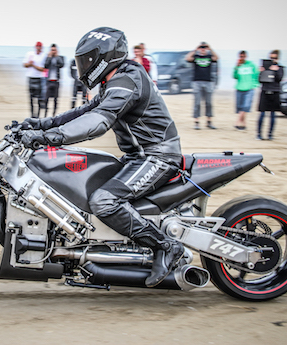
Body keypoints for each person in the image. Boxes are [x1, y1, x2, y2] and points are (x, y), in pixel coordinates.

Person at [19, 27, 184, 288]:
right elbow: (84, 111)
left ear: (103, 58)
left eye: (86, 60)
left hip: (158, 158)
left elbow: (96, 123)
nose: (83, 67)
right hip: (136, 158)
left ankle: (165, 246)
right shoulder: (116, 81)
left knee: (104, 201)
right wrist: (39, 125)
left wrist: (49, 137)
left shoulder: (127, 80)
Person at [185, 42, 219, 130]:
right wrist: (195, 50)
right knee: (197, 102)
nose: (203, 49)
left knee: (208, 102)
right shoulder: (196, 57)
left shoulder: (209, 57)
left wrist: (210, 49)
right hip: (197, 82)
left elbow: (217, 58)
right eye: (201, 47)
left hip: (208, 82)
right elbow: (187, 58)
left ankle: (209, 121)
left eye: (204, 47)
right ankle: (196, 122)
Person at [256, 50, 284, 140]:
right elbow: (260, 80)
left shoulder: (280, 68)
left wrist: (275, 71)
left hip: (275, 92)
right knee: (262, 114)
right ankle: (259, 134)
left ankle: (270, 134)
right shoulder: (265, 68)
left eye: (275, 58)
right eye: (271, 58)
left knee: (273, 114)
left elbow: (279, 79)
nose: (273, 60)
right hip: (265, 91)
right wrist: (262, 72)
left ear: (278, 58)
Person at [233, 51, 259, 130]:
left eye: (243, 56)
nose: (242, 58)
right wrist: (236, 67)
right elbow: (235, 76)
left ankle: (237, 122)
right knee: (240, 107)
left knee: (246, 106)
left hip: (249, 88)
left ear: (246, 56)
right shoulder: (238, 66)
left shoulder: (252, 65)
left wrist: (254, 85)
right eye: (240, 56)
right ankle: (244, 124)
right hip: (239, 87)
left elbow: (256, 75)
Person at [23, 42, 47, 118]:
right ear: (35, 47)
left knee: (39, 99)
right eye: (37, 46)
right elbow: (24, 64)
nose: (38, 48)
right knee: (31, 99)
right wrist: (29, 64)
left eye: (40, 47)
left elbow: (43, 69)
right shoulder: (30, 54)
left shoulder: (44, 55)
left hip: (39, 79)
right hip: (30, 78)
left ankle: (38, 115)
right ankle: (32, 115)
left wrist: (33, 65)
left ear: (41, 48)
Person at [43, 44, 65, 117]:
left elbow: (62, 65)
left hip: (56, 81)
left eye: (54, 50)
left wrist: (57, 56)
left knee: (55, 100)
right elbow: (45, 65)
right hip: (49, 81)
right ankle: (45, 114)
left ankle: (54, 115)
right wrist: (49, 57)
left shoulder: (60, 57)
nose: (53, 51)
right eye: (52, 50)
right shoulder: (48, 57)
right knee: (46, 99)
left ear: (57, 50)